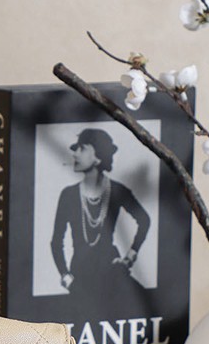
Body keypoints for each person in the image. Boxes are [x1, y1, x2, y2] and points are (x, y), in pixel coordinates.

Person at [51, 127, 150, 301]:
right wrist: (66, 277)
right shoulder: (68, 195)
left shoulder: (117, 191)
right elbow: (56, 242)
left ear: (98, 156)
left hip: (113, 274)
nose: (75, 154)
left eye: (82, 148)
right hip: (80, 278)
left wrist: (129, 258)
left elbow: (144, 220)